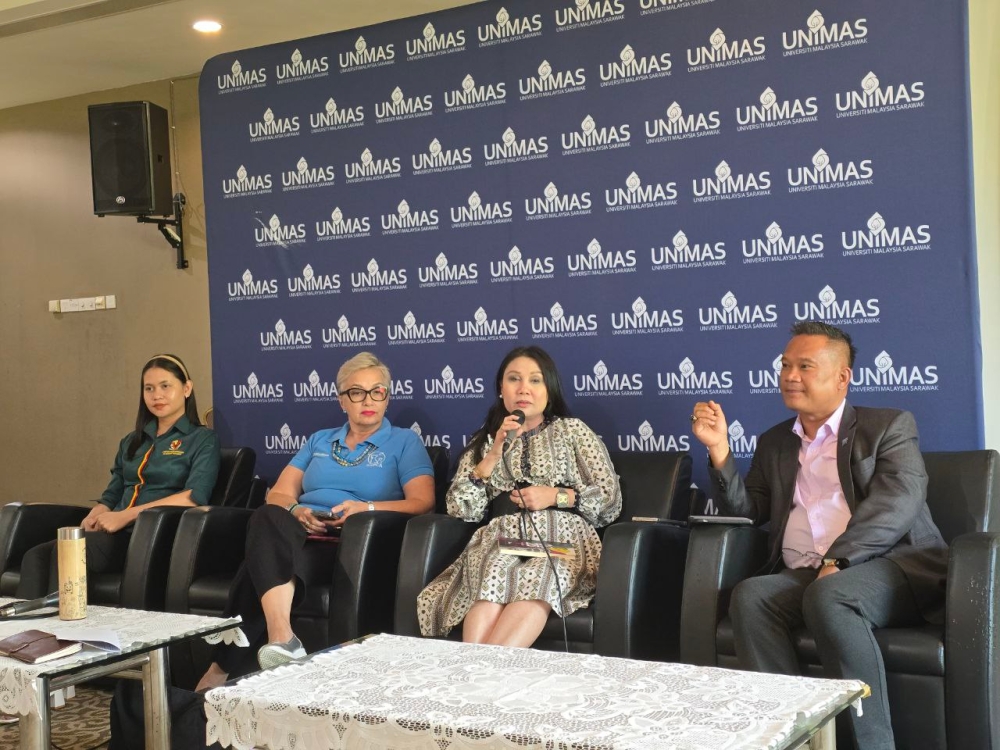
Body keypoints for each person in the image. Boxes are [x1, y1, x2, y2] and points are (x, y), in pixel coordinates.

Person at [690, 321, 947, 750]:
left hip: (889, 565)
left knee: (831, 594)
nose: (790, 375)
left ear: (842, 376)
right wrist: (720, 452)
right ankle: (788, 736)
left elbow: (897, 504)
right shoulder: (775, 441)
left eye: (805, 366)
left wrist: (838, 560)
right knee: (751, 597)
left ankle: (874, 744)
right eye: (786, 365)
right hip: (810, 572)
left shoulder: (888, 426)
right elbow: (748, 512)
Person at [196, 352, 434, 691]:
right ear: (341, 400)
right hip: (298, 530)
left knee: (257, 564)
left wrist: (365, 508)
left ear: (387, 397)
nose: (368, 400)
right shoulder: (320, 440)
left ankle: (220, 669)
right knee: (268, 516)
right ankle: (282, 637)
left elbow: (422, 502)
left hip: (349, 540)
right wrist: (297, 512)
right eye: (357, 392)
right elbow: (278, 494)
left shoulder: (404, 442)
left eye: (377, 391)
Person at [417, 346, 621, 647]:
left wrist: (556, 495)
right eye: (514, 379)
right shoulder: (487, 440)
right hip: (504, 542)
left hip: (561, 543)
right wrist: (491, 457)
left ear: (549, 390)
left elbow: (608, 500)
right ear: (501, 389)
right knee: (492, 575)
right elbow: (461, 508)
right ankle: (475, 675)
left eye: (535, 380)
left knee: (539, 578)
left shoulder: (573, 431)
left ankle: (480, 676)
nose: (524, 388)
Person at [18, 354, 221, 598]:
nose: (157, 395)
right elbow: (113, 492)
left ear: (186, 388)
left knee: (69, 553)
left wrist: (126, 515)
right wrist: (98, 513)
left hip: (151, 535)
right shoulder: (131, 441)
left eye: (166, 386)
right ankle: (24, 633)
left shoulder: (202, 439)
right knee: (35, 556)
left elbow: (192, 497)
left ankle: (61, 632)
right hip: (112, 532)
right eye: (149, 388)